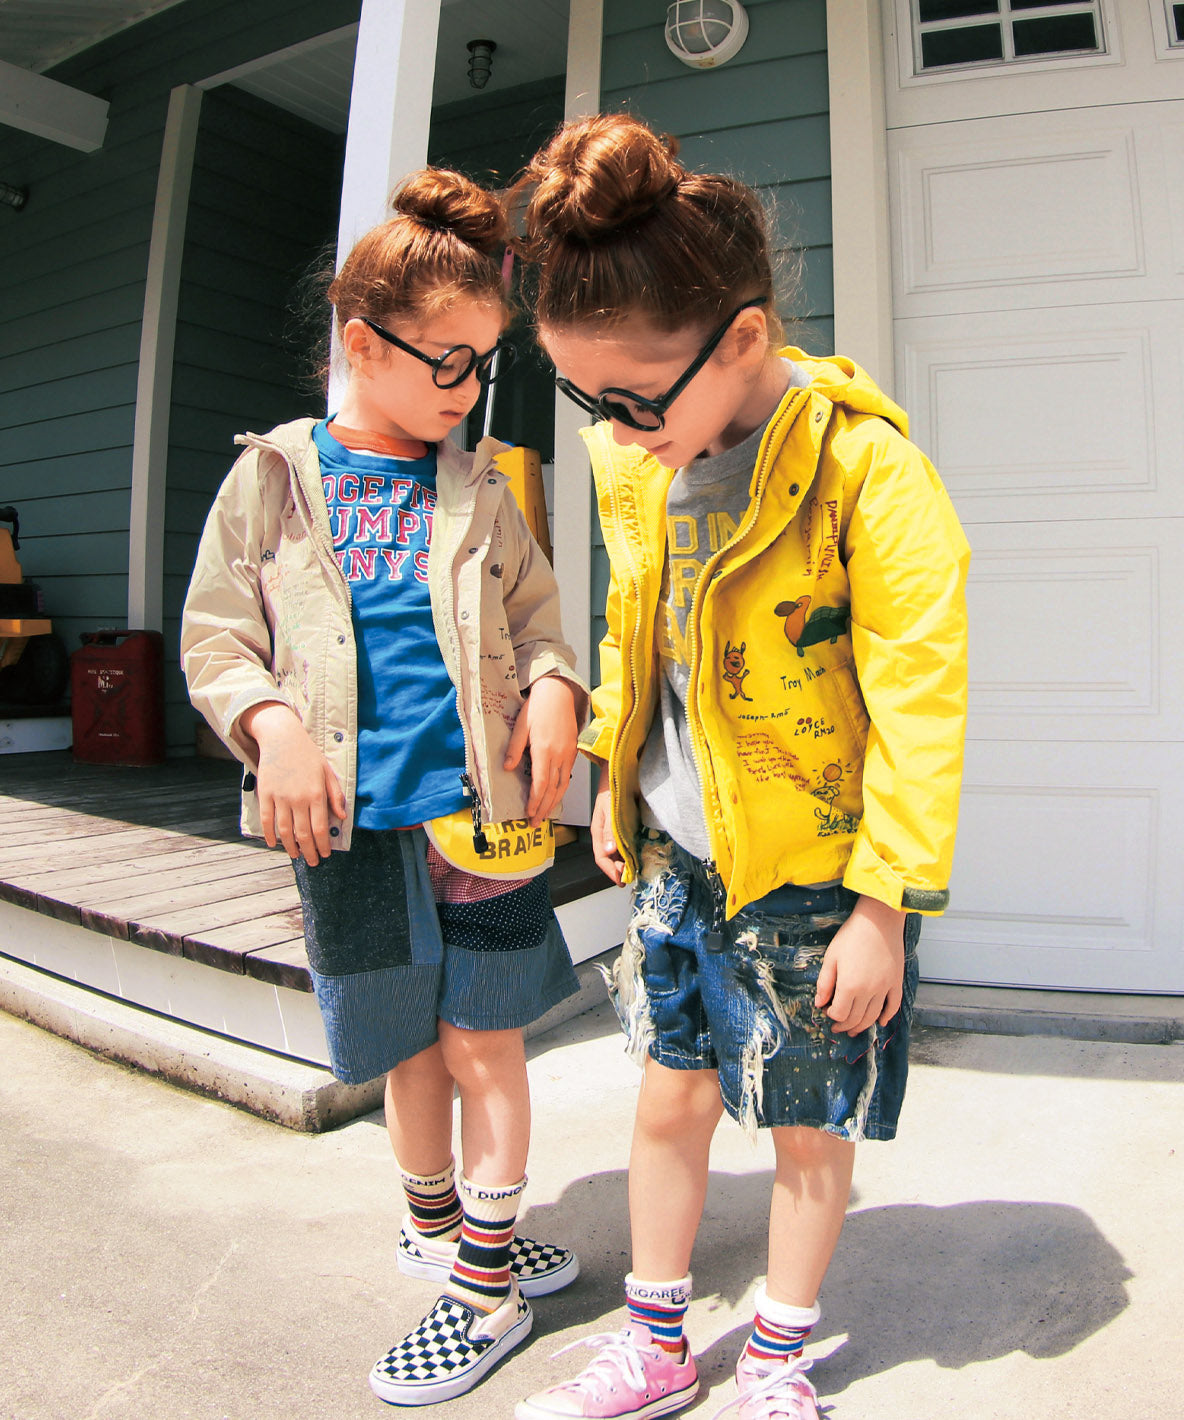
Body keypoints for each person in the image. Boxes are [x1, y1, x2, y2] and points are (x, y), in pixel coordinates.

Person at [509, 114, 970, 1420]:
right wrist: (611, 769)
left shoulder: (867, 476)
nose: (617, 430)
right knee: (668, 1103)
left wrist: (885, 905)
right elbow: (635, 623)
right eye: (591, 402)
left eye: (637, 401)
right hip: (676, 858)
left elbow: (924, 701)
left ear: (747, 339)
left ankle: (776, 1351)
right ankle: (657, 1348)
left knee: (805, 1133)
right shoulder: (635, 460)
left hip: (819, 874)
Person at [180, 168, 588, 1408]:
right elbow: (214, 637)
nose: (471, 389)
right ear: (364, 343)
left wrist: (560, 687)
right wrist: (270, 728)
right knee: (404, 1047)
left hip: (485, 824)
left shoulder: (478, 490)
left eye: (485, 364)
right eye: (451, 362)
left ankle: (484, 1286)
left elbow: (539, 621)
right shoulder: (270, 479)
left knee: (485, 1037)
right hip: (348, 832)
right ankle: (444, 1225)